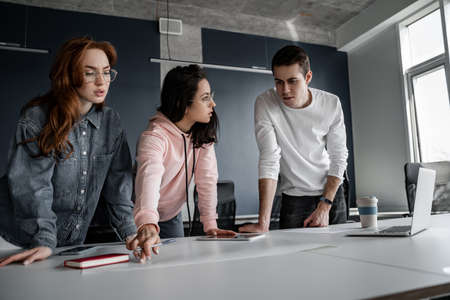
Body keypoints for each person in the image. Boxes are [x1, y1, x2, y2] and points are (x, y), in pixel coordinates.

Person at [0, 37, 137, 266]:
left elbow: (118, 187)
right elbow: (33, 188)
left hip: (68, 244)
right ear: (69, 74)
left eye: (106, 72)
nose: (101, 81)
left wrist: (131, 233)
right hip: (15, 240)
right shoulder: (37, 118)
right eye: (90, 73)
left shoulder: (111, 122)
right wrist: (43, 239)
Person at [127, 65, 235, 262]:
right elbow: (149, 179)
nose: (213, 104)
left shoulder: (201, 135)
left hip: (171, 214)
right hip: (139, 216)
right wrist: (147, 223)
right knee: (142, 266)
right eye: (205, 98)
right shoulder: (154, 137)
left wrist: (210, 224)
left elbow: (207, 180)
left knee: (175, 266)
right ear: (183, 103)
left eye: (211, 96)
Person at [240, 45, 348, 233]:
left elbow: (339, 156)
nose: (285, 90)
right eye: (278, 82)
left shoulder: (331, 103)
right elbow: (269, 159)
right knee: (291, 259)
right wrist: (263, 223)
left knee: (340, 256)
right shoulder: (265, 103)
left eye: (292, 81)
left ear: (307, 78)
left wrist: (325, 204)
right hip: (294, 197)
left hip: (330, 193)